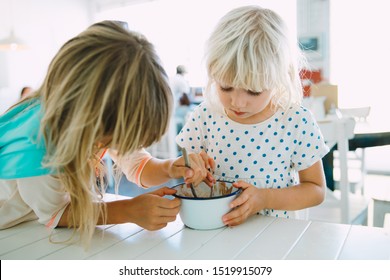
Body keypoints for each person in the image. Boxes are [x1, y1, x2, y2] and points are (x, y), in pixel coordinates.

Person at [0, 21, 213, 247]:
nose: (122, 145)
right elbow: (58, 214)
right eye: (120, 138)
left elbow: (137, 165)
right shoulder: (37, 144)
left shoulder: (96, 119)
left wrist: (170, 168)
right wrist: (127, 210)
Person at [176, 6, 329, 227]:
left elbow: (316, 190)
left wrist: (266, 198)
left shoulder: (296, 120)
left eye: (253, 91)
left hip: (274, 238)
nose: (237, 102)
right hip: (216, 235)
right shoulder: (205, 115)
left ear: (278, 79)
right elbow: (183, 167)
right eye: (226, 87)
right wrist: (193, 170)